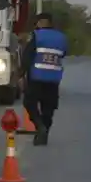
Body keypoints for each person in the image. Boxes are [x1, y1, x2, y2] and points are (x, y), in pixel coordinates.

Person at [19, 12, 68, 146]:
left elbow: (27, 57)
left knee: (30, 103)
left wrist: (20, 75)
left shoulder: (36, 36)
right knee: (49, 108)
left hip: (36, 77)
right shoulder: (62, 38)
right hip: (54, 78)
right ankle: (43, 134)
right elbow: (63, 54)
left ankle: (40, 126)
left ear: (39, 23)